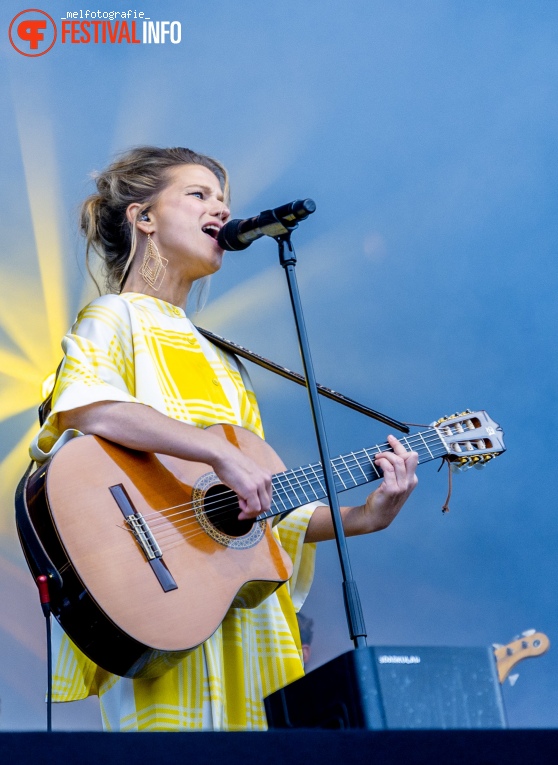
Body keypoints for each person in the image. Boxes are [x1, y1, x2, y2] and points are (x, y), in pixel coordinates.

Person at [29, 146, 419, 731]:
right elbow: (89, 407)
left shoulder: (226, 363)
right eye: (199, 194)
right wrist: (214, 450)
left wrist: (363, 516)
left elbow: (256, 508)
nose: (222, 208)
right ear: (144, 218)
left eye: (224, 198)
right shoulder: (114, 317)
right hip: (158, 599)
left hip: (233, 607)